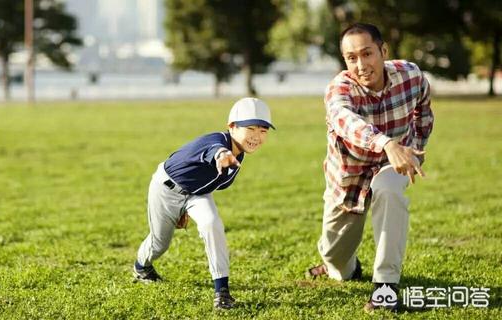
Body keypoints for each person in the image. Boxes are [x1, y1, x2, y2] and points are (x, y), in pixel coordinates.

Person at [306, 23, 434, 312]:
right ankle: (344, 266)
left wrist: (414, 151)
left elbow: (423, 109)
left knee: (389, 192)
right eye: (352, 58)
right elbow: (347, 122)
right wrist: (387, 143)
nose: (361, 65)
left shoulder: (411, 75)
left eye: (367, 54)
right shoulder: (339, 88)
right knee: (334, 256)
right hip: (348, 179)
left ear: (383, 51)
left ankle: (385, 288)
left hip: (390, 166)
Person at [133, 97, 275, 310]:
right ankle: (141, 267)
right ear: (232, 127)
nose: (256, 136)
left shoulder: (239, 157)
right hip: (165, 189)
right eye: (251, 128)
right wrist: (222, 155)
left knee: (212, 223)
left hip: (196, 194)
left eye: (263, 131)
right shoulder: (216, 142)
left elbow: (210, 182)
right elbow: (215, 151)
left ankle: (222, 293)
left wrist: (189, 209)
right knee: (160, 243)